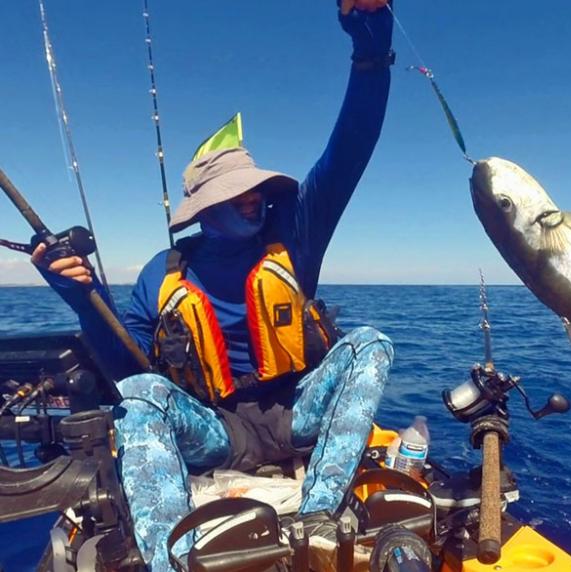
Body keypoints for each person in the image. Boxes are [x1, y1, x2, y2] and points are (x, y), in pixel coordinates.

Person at [32, 2, 395, 569]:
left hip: (296, 411)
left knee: (370, 344)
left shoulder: (294, 232)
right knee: (141, 396)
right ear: (203, 211)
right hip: (219, 430)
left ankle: (317, 520)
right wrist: (81, 298)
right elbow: (128, 373)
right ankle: (170, 559)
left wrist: (370, 46)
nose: (253, 199)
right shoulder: (160, 274)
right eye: (236, 194)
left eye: (254, 190)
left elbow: (349, 151)